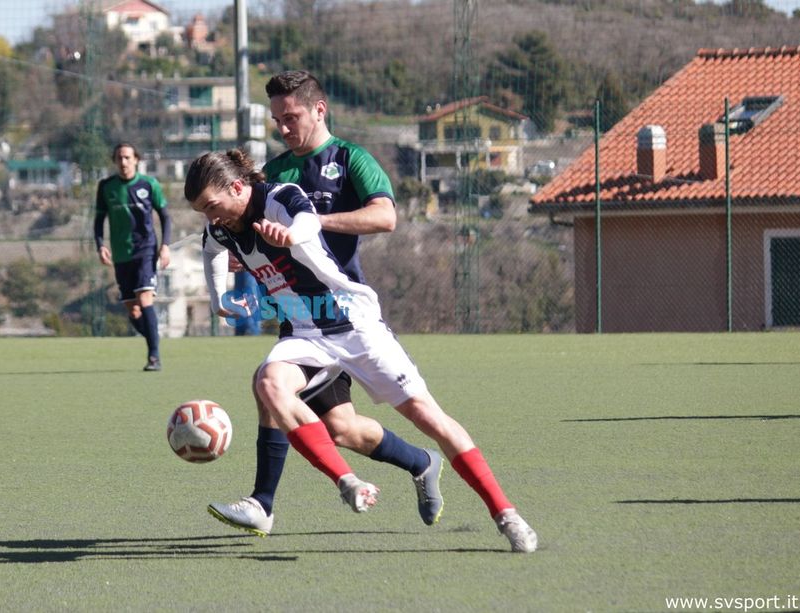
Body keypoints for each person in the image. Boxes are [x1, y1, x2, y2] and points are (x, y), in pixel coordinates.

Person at [186, 149, 538, 553]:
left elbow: (306, 219)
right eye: (202, 211)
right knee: (270, 384)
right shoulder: (221, 227)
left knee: (429, 417)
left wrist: (291, 236)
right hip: (305, 333)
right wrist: (218, 298)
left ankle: (505, 513)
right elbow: (211, 249)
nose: (210, 217)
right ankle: (336, 484)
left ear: (237, 187)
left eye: (211, 205)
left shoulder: (278, 197)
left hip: (355, 325)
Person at [208, 70, 443, 538]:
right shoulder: (273, 172)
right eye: (276, 120)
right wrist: (245, 256)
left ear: (319, 109)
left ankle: (262, 503)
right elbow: (249, 232)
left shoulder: (351, 158)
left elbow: (385, 217)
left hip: (346, 314)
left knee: (271, 388)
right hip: (300, 320)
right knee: (340, 428)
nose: (283, 127)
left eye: (290, 117)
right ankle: (421, 461)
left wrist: (311, 224)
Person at [94, 143, 171, 371]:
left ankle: (154, 357)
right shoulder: (106, 186)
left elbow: (165, 216)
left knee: (145, 299)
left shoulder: (149, 184)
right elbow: (99, 220)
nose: (123, 162)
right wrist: (100, 245)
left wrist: (165, 246)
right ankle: (153, 337)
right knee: (134, 310)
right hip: (121, 254)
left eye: (127, 157)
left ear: (136, 159)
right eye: (119, 158)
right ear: (114, 161)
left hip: (145, 250)